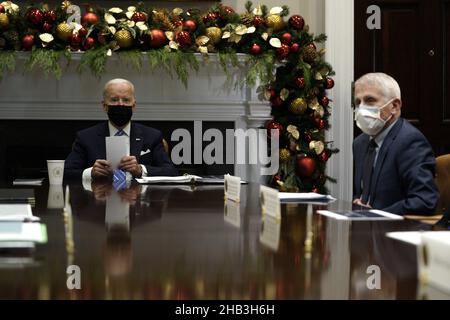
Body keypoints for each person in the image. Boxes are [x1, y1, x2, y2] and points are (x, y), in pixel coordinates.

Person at [352, 72, 438, 215]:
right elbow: (362, 194)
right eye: (357, 102)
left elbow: (424, 201)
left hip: (394, 230)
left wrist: (376, 215)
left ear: (395, 106)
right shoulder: (359, 143)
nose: (361, 109)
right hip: (363, 228)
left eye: (369, 100)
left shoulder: (410, 141)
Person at [64, 78, 178, 180]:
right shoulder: (86, 137)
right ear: (104, 106)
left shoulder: (152, 136)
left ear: (133, 106)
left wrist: (140, 170)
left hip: (140, 200)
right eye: (114, 100)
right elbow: (65, 173)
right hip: (99, 200)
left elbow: (171, 172)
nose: (120, 104)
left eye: (126, 100)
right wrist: (90, 173)